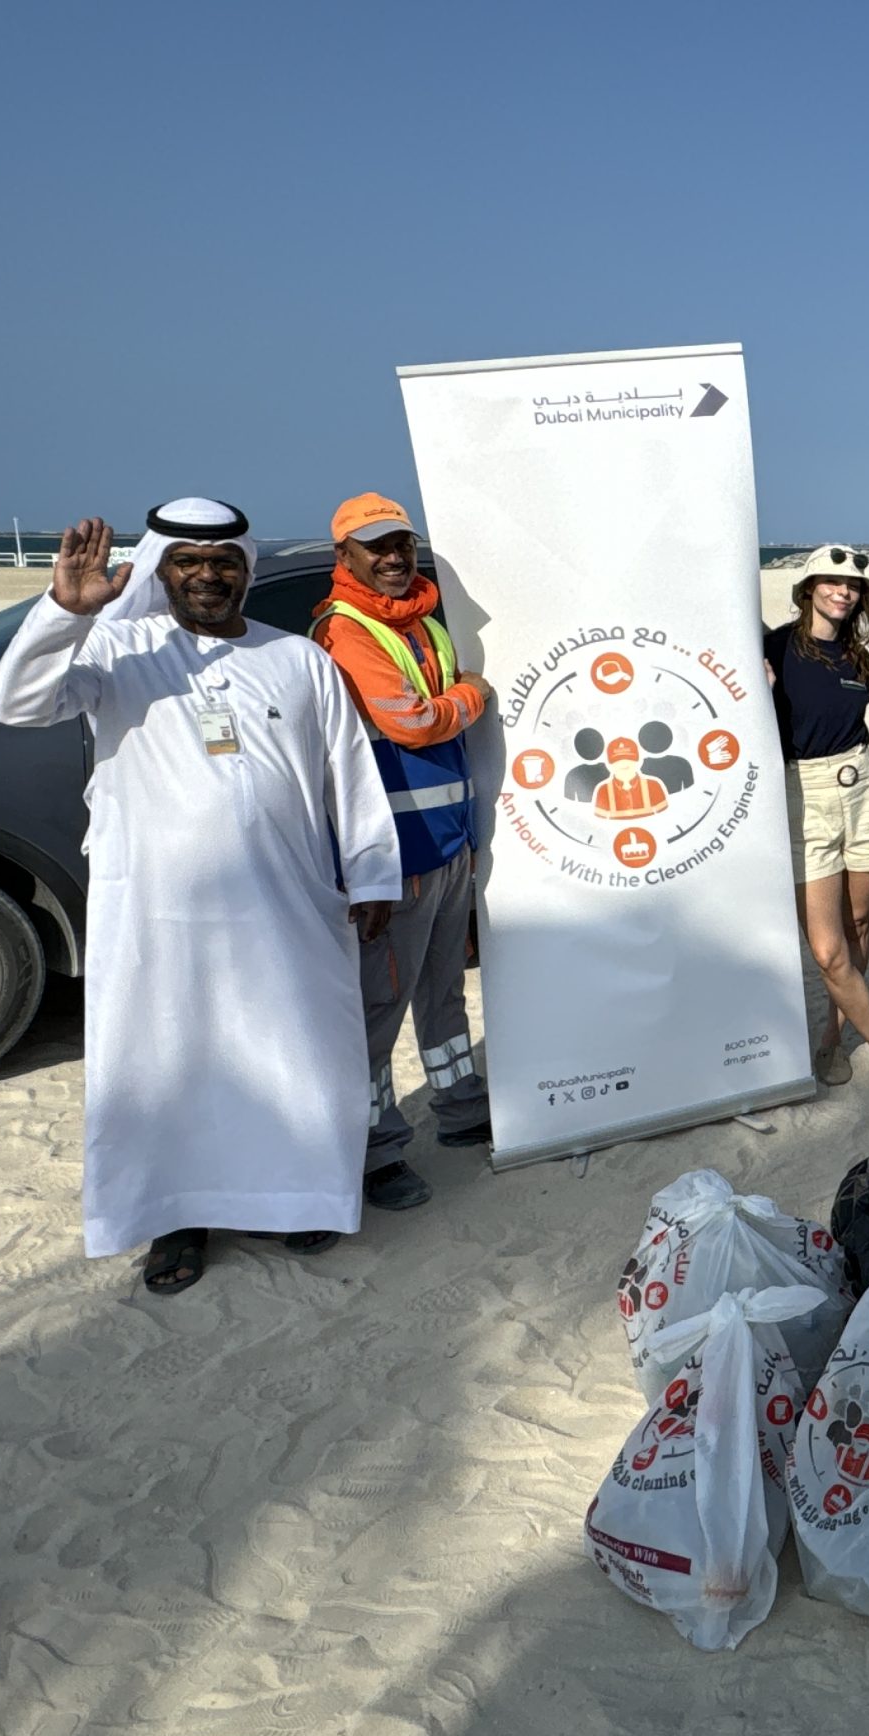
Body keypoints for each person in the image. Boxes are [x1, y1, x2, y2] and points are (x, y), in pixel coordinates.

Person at [0, 502, 399, 1294]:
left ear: (247, 569)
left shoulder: (298, 660)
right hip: (158, 915)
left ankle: (292, 1194)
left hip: (288, 906)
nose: (208, 574)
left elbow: (348, 768)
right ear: (160, 570)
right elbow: (17, 706)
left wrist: (373, 870)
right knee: (170, 1061)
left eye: (224, 560)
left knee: (293, 1055)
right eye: (187, 560)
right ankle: (176, 1219)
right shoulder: (116, 646)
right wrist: (62, 614)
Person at [309, 491, 495, 1216]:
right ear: (345, 557)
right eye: (376, 548)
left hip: (447, 841)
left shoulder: (420, 619)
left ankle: (458, 1107)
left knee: (444, 990)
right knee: (378, 1007)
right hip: (393, 856)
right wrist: (472, 695)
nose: (392, 558)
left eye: (401, 545)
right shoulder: (347, 629)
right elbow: (414, 723)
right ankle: (374, 1148)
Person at [763, 543, 869, 1097]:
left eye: (853, 585)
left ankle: (832, 1036)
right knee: (829, 948)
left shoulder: (857, 655)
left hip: (862, 786)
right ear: (807, 589)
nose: (842, 591)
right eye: (831, 582)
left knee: (858, 926)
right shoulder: (773, 648)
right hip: (803, 793)